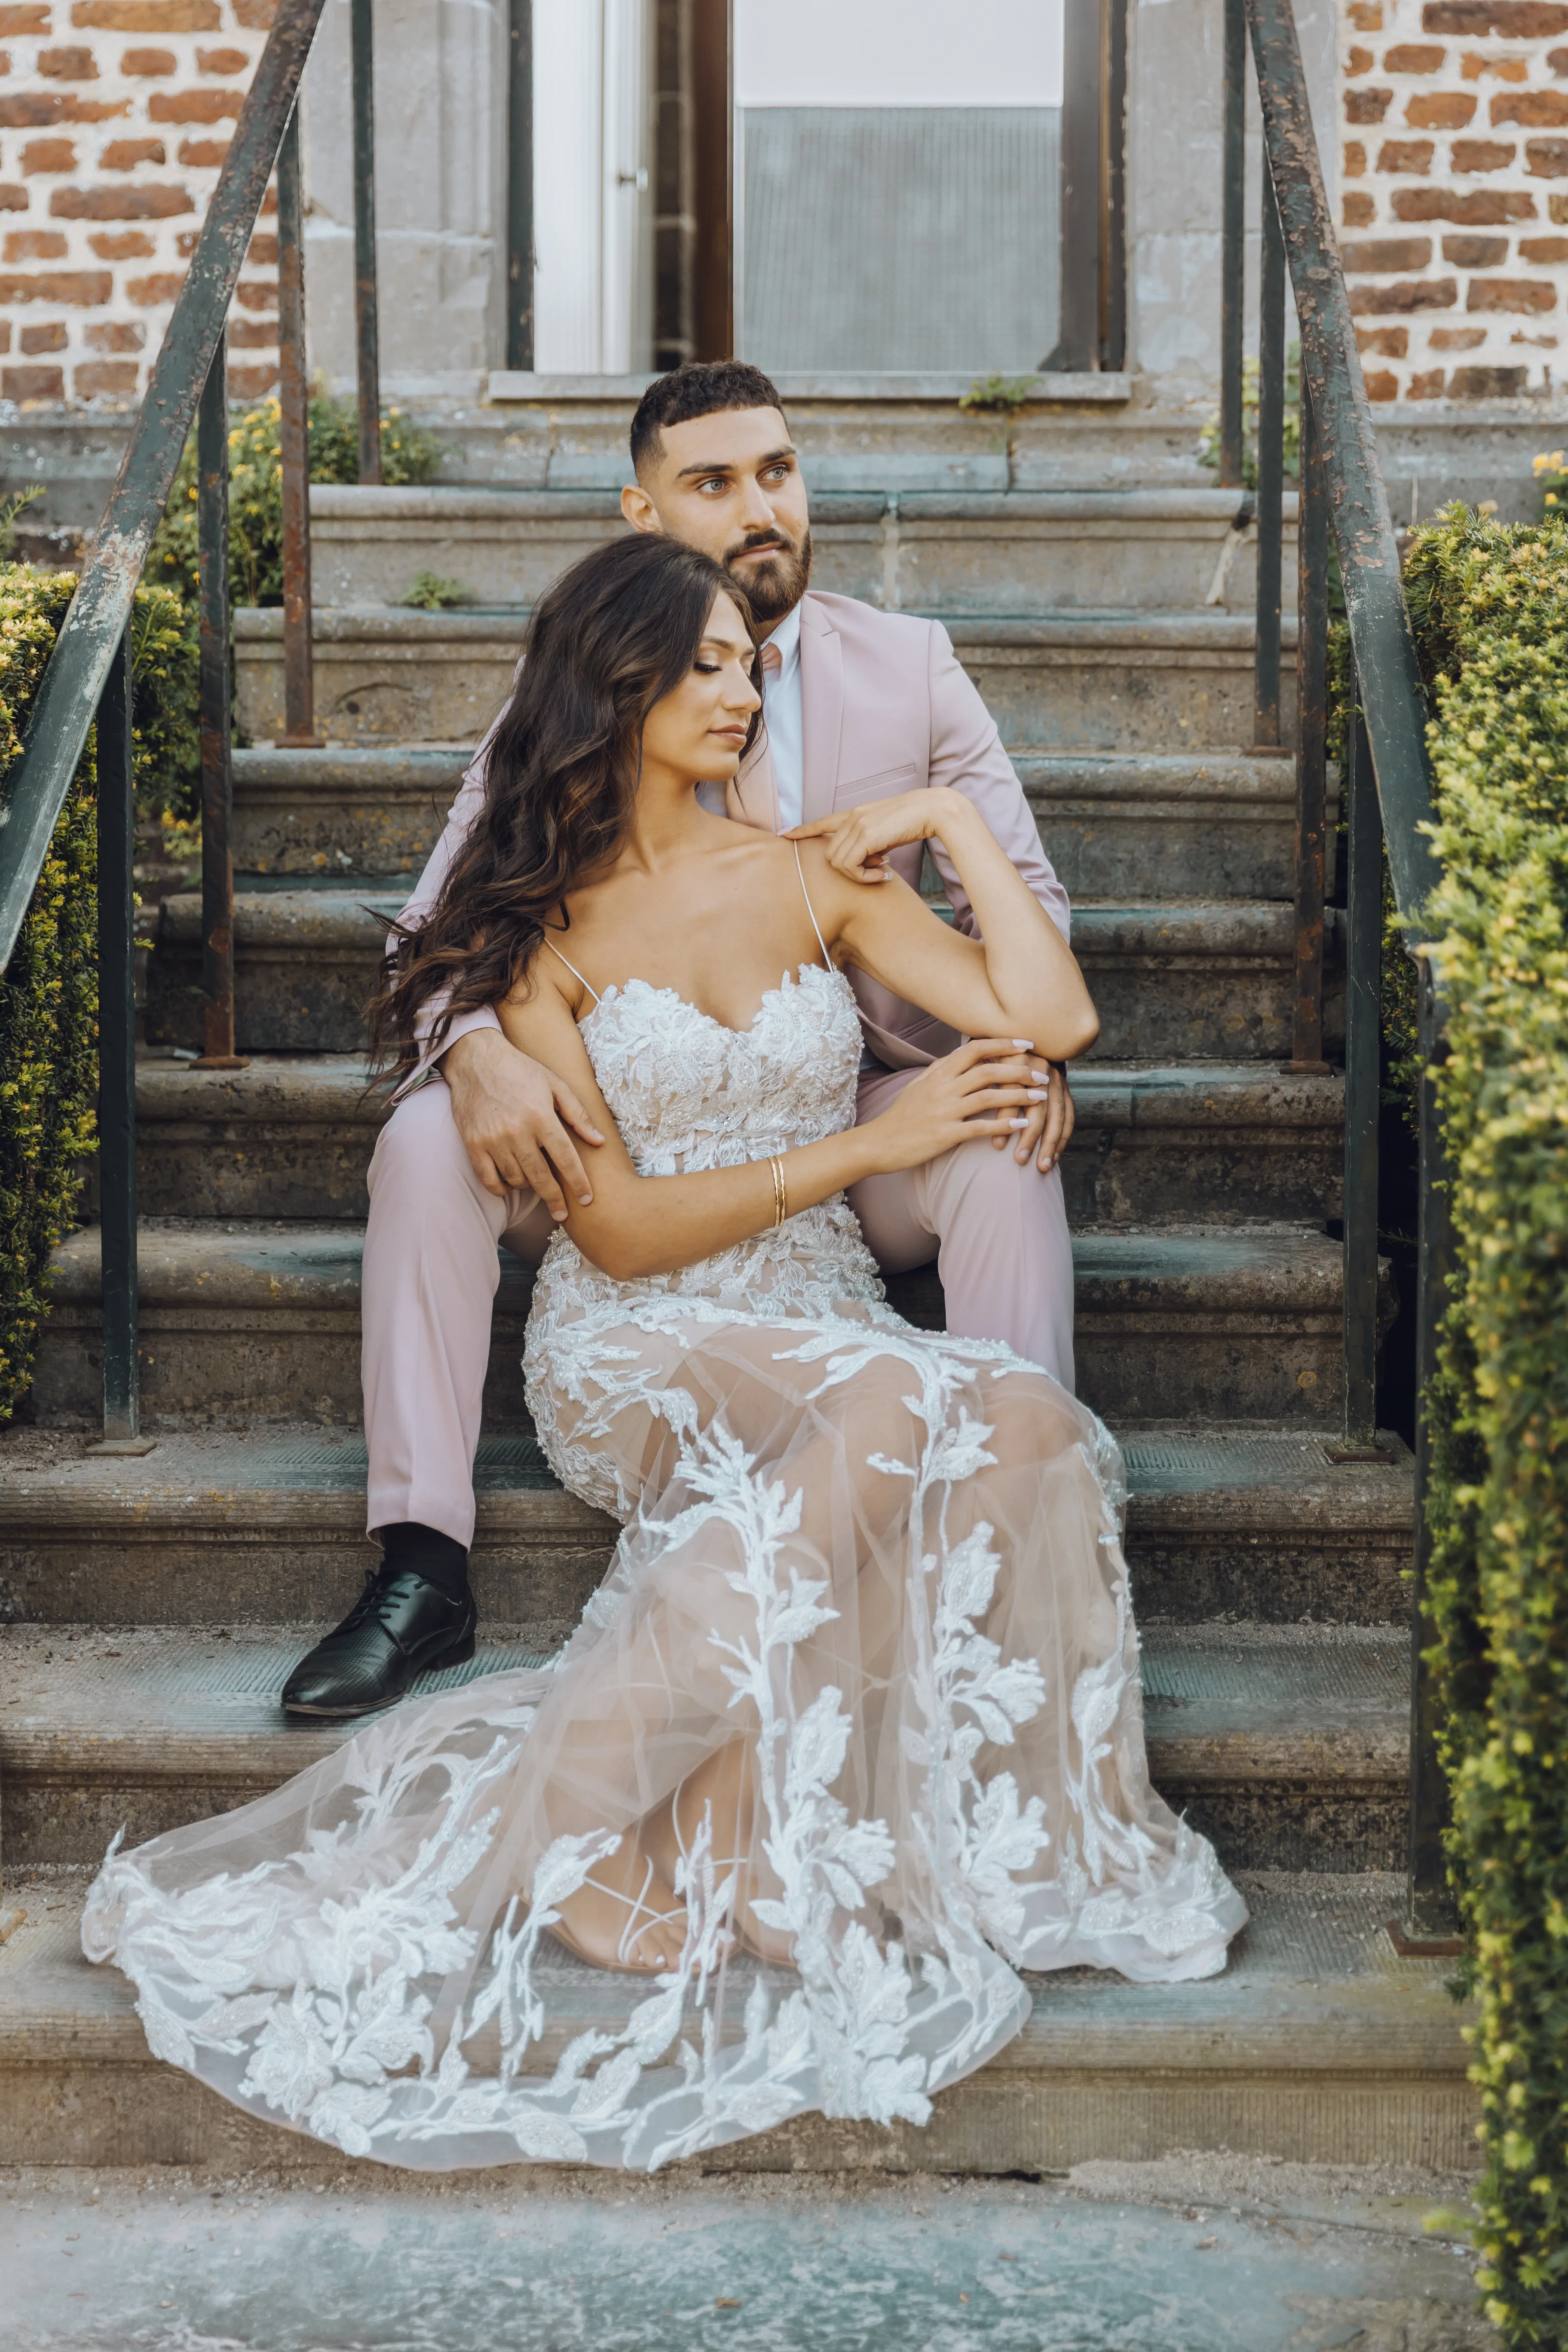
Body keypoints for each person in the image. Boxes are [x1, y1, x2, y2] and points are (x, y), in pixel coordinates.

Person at [83, 536, 1244, 2176]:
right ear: (615, 686)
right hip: (640, 1343)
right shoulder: (536, 930)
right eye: (703, 662)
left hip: (823, 1320)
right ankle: (533, 1848)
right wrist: (874, 1144)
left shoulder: (817, 871)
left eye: (746, 659)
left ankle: (818, 1837)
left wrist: (953, 828)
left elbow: (1049, 1024)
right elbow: (613, 1235)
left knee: (1027, 1421)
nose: (743, 682)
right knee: (904, 1413)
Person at [282, 361, 1078, 1719]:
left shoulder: (911, 668)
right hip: (620, 1147)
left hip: (860, 1092)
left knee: (1004, 1124)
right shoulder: (574, 707)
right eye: (713, 483)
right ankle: (420, 1562)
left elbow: (1033, 926)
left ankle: (1018, 1521)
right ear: (643, 516)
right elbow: (439, 938)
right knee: (427, 1136)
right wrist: (475, 1054)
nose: (757, 505)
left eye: (777, 470)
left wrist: (1009, 1050)